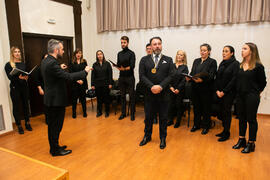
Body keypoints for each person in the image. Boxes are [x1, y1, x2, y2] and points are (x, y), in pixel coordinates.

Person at [41, 39, 91, 156]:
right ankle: (55, 150)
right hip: (55, 100)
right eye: (62, 49)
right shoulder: (52, 63)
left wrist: (60, 68)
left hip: (51, 99)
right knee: (56, 126)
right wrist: (84, 72)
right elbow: (67, 76)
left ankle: (55, 146)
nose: (63, 51)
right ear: (56, 50)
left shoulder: (46, 61)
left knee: (53, 126)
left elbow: (55, 74)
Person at [139, 37, 174, 149]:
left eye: (159, 44)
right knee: (148, 117)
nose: (157, 46)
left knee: (163, 117)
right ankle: (147, 136)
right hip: (149, 94)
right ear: (151, 46)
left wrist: (160, 86)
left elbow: (171, 76)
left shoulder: (168, 60)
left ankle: (162, 138)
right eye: (155, 44)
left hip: (164, 95)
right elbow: (142, 76)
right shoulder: (144, 60)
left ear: (161, 45)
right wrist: (152, 86)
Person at [232, 42, 266, 153]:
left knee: (251, 119)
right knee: (241, 118)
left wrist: (256, 92)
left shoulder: (258, 66)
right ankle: (242, 139)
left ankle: (251, 143)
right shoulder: (240, 65)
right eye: (242, 48)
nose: (242, 50)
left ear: (251, 51)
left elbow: (263, 83)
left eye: (245, 48)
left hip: (252, 96)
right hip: (240, 96)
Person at [186, 43, 217, 135]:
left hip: (206, 89)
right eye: (201, 50)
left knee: (206, 109)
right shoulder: (196, 61)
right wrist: (189, 78)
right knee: (196, 108)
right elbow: (192, 73)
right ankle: (196, 125)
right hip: (195, 89)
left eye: (204, 50)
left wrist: (202, 80)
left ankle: (206, 126)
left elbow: (212, 76)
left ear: (209, 52)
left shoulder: (212, 62)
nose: (202, 52)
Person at [5, 46, 32, 134]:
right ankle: (19, 125)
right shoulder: (8, 64)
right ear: (12, 54)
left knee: (25, 105)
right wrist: (19, 78)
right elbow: (10, 77)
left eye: (19, 52)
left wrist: (26, 77)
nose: (17, 53)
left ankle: (27, 123)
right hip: (15, 88)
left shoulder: (23, 64)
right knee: (16, 107)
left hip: (24, 87)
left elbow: (26, 74)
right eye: (15, 52)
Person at [215, 46, 239, 142]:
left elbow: (234, 80)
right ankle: (223, 130)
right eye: (223, 51)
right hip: (219, 92)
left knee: (226, 112)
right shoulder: (222, 63)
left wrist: (224, 91)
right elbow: (217, 77)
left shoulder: (235, 64)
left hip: (228, 93)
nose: (223, 53)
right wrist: (217, 90)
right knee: (222, 112)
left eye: (226, 51)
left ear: (232, 53)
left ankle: (227, 132)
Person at [114, 36, 136, 121]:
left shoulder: (132, 53)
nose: (123, 44)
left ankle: (132, 114)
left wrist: (124, 68)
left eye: (124, 42)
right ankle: (123, 113)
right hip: (122, 77)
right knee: (122, 96)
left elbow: (132, 66)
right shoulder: (119, 53)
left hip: (130, 77)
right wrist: (116, 66)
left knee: (131, 96)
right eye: (121, 43)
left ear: (128, 43)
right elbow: (119, 64)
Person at [167, 50, 189, 128]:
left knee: (178, 105)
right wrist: (170, 87)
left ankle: (178, 121)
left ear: (184, 57)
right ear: (176, 55)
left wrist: (178, 89)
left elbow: (184, 79)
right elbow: (168, 77)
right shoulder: (172, 65)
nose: (179, 56)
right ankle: (170, 120)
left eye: (181, 55)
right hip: (171, 88)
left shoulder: (185, 67)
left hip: (180, 89)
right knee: (170, 105)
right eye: (178, 54)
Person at [91, 50, 113, 117]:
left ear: (103, 55)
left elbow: (110, 74)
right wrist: (92, 84)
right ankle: (99, 112)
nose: (100, 55)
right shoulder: (94, 65)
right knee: (99, 99)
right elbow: (93, 75)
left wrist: (110, 83)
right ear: (97, 56)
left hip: (106, 84)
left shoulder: (107, 64)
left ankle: (107, 112)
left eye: (101, 54)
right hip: (98, 84)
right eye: (98, 54)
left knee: (106, 99)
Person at [70, 49, 88, 118]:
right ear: (75, 54)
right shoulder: (71, 62)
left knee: (83, 99)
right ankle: (74, 113)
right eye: (77, 53)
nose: (78, 54)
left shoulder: (84, 62)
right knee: (74, 100)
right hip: (74, 83)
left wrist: (82, 80)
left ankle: (84, 112)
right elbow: (71, 73)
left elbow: (86, 71)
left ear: (81, 54)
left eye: (80, 53)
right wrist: (77, 80)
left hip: (82, 83)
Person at [36, 54, 48, 124]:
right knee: (46, 104)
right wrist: (40, 88)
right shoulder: (39, 68)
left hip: (51, 88)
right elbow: (37, 80)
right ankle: (47, 119)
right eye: (45, 58)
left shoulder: (51, 67)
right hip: (44, 88)